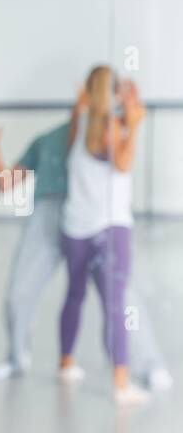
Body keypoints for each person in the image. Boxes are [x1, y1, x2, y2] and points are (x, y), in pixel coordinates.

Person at [0, 77, 170, 392]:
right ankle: (16, 358)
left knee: (122, 297)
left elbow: (125, 146)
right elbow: (6, 182)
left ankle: (149, 365)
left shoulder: (103, 132)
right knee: (19, 292)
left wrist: (129, 107)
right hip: (49, 216)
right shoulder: (48, 140)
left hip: (91, 219)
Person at [58, 67, 149, 404]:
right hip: (110, 228)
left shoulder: (78, 121)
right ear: (111, 93)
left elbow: (84, 114)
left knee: (74, 294)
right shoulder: (111, 126)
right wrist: (135, 123)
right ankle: (121, 383)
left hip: (74, 227)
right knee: (115, 306)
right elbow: (123, 164)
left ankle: (66, 362)